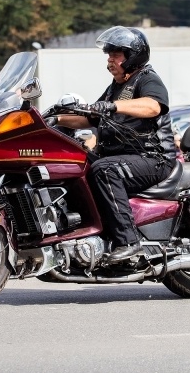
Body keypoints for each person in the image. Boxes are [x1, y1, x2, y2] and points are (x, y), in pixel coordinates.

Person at [56, 26, 176, 263]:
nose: (110, 60)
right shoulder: (115, 87)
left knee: (105, 169)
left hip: (153, 159)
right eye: (109, 55)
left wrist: (113, 107)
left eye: (116, 55)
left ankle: (129, 242)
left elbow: (153, 106)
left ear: (133, 56)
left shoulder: (147, 79)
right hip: (123, 157)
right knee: (73, 159)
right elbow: (90, 117)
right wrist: (53, 118)